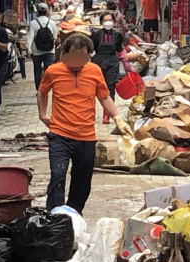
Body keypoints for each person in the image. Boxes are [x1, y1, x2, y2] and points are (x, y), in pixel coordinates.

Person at [37, 34, 133, 214]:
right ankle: (55, 215)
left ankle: (73, 213)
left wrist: (118, 118)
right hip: (59, 134)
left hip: (86, 136)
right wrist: (42, 115)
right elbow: (42, 92)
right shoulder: (53, 71)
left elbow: (104, 97)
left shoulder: (94, 71)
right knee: (58, 175)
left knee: (82, 180)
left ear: (89, 55)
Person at [91, 11, 131, 123]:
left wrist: (127, 67)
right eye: (105, 20)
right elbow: (90, 50)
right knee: (94, 89)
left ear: (113, 22)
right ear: (101, 22)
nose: (107, 22)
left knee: (110, 89)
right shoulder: (96, 35)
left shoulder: (117, 36)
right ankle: (90, 113)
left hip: (112, 63)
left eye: (109, 20)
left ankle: (107, 114)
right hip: (98, 63)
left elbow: (120, 51)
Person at [27, 2, 58, 90]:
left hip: (36, 51)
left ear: (37, 12)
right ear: (47, 11)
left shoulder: (33, 23)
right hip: (49, 51)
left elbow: (30, 37)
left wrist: (29, 49)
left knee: (37, 70)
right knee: (48, 70)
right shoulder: (51, 22)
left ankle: (39, 89)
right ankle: (48, 87)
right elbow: (55, 37)